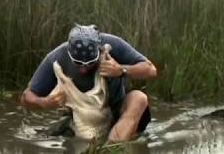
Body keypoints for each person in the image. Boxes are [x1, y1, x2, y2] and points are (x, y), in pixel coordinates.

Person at [20, 24, 157, 142]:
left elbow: (151, 70)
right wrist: (45, 103)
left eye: (90, 63)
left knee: (139, 98)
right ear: (69, 52)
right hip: (81, 119)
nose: (84, 68)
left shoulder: (113, 44)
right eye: (78, 63)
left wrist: (121, 69)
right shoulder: (57, 58)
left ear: (99, 50)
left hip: (117, 111)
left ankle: (112, 147)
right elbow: (26, 97)